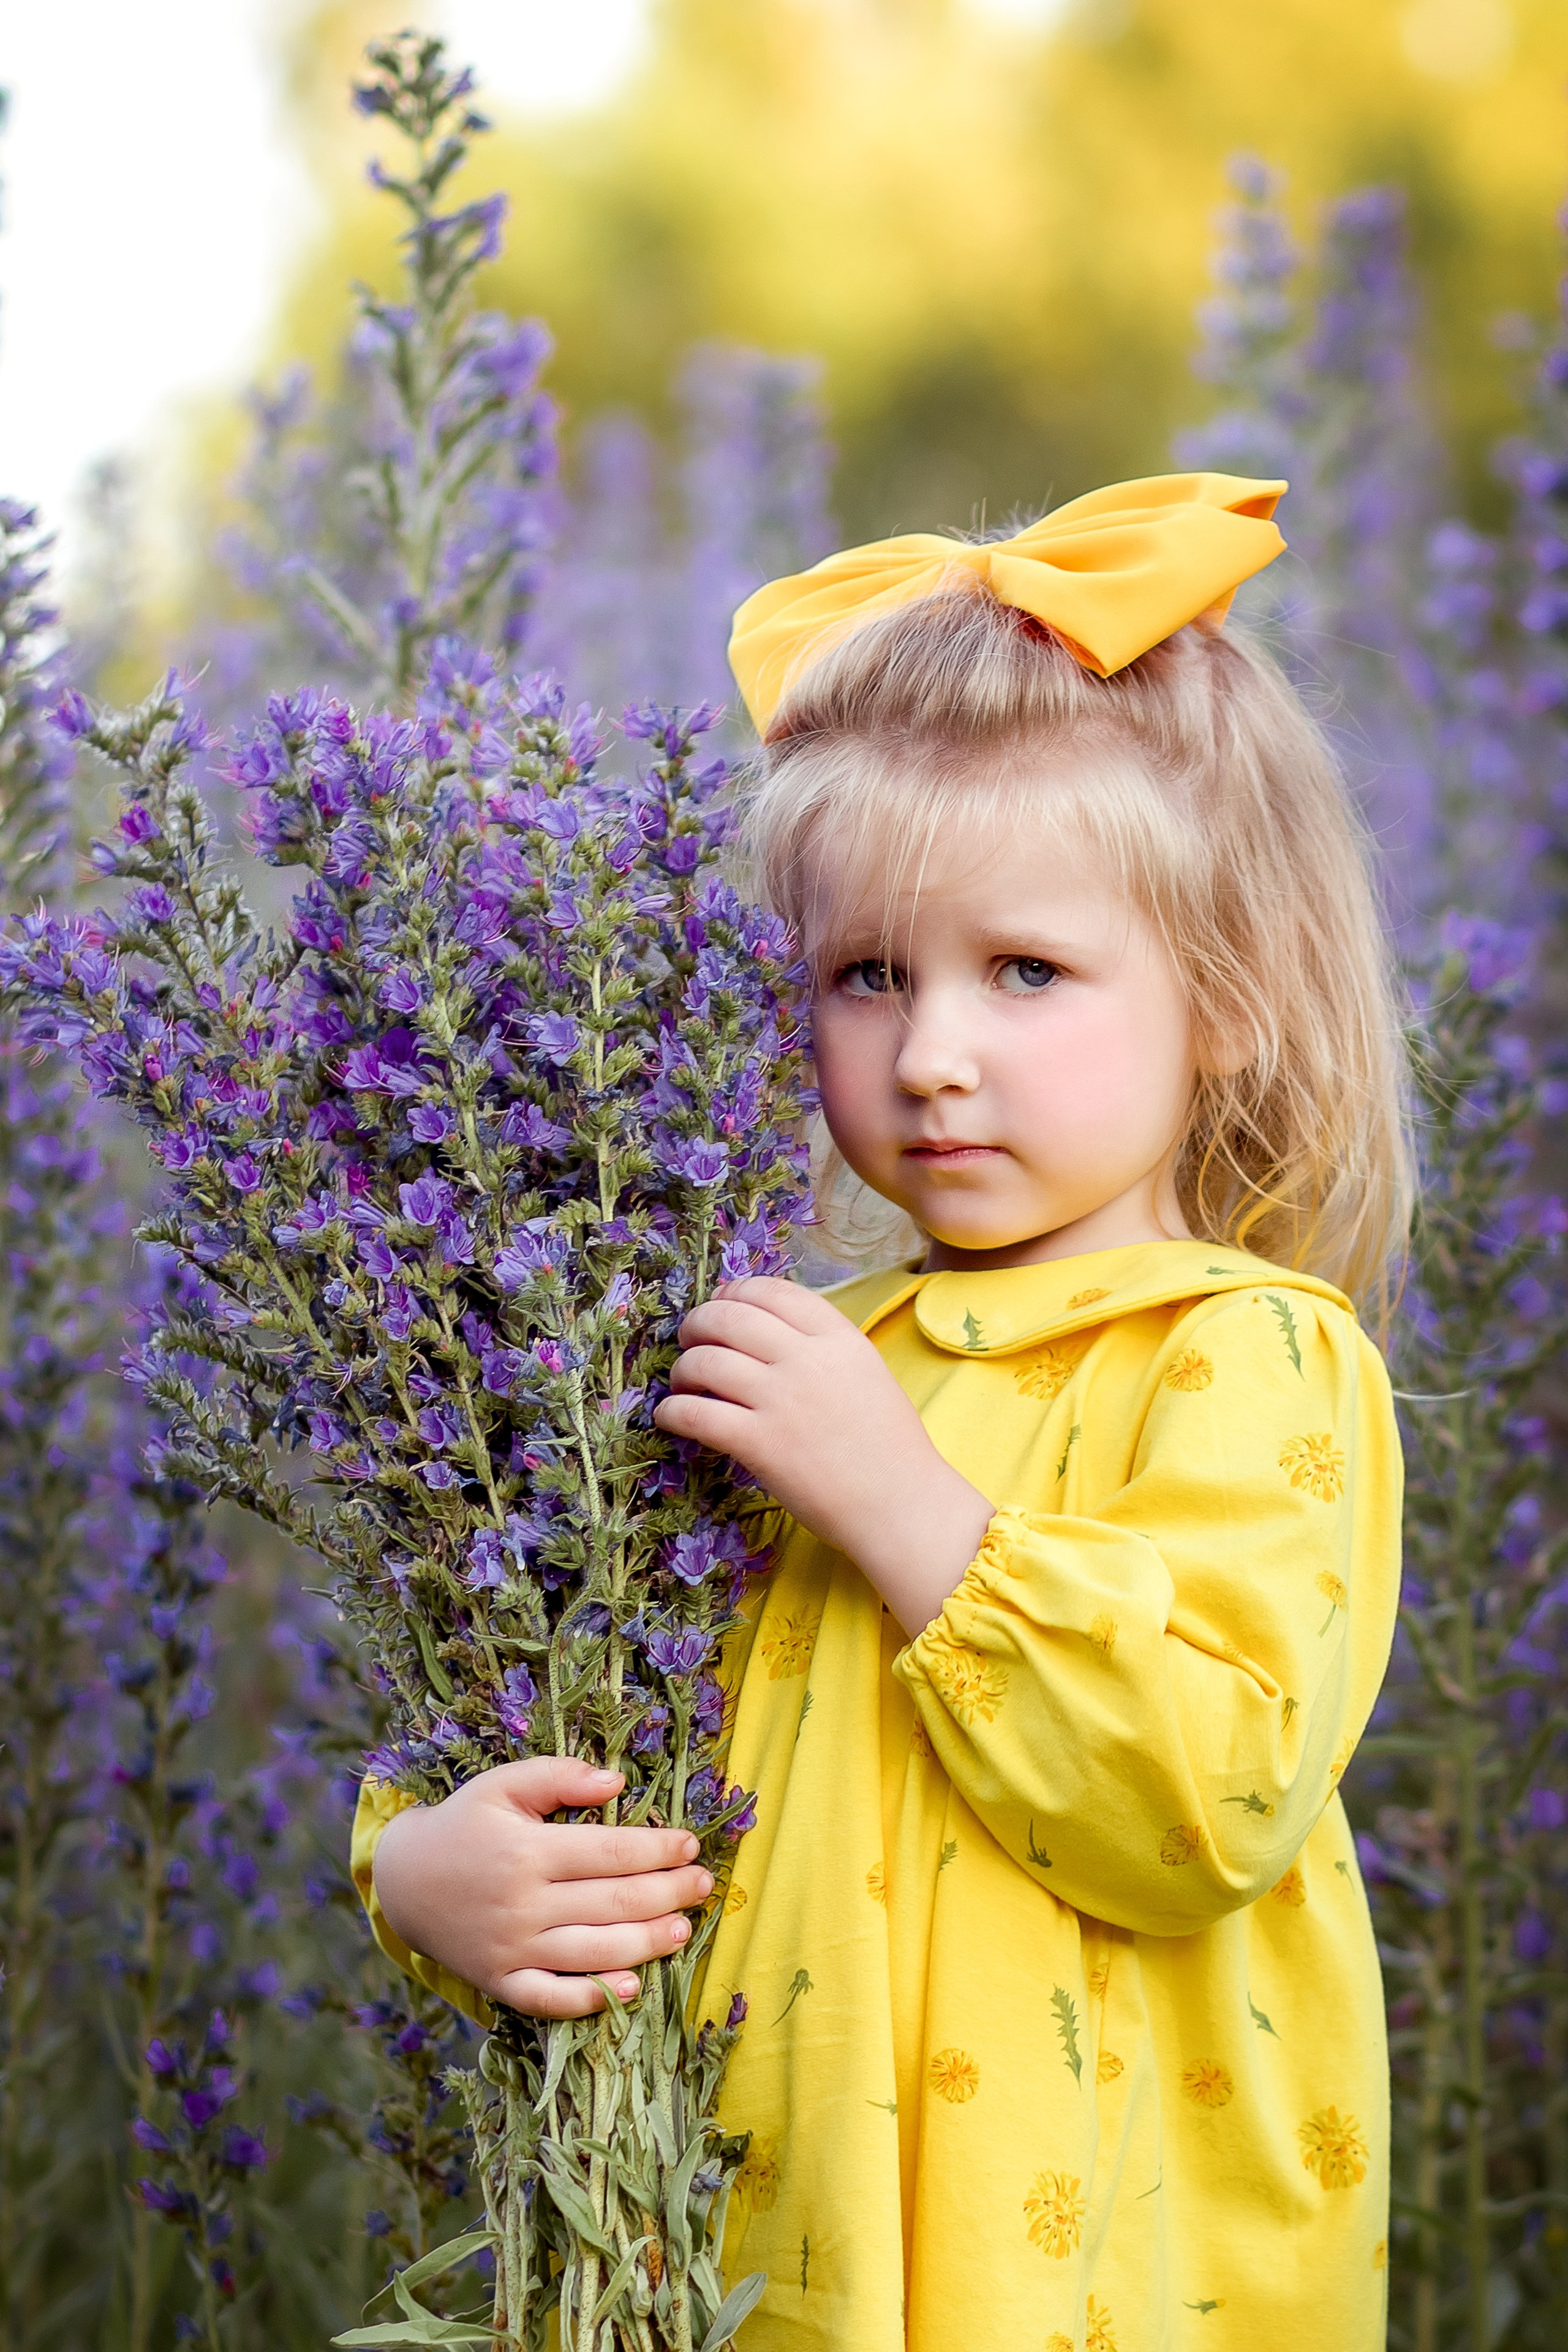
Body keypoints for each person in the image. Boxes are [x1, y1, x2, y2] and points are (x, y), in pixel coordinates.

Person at [356, 473, 1410, 2350]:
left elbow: (1209, 1798)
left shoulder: (1245, 1353)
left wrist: (902, 1503)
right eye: (867, 974)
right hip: (752, 2248)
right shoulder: (772, 1347)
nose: (931, 1053)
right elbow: (568, 1687)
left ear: (1229, 998)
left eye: (1027, 971)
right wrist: (424, 1866)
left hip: (1089, 2284)